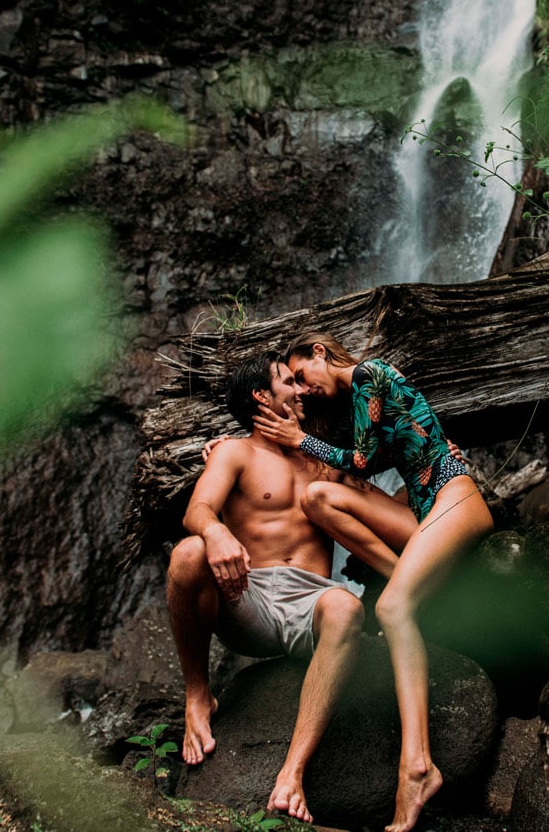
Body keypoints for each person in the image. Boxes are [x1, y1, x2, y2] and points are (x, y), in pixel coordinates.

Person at [251, 331, 494, 832]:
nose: (302, 388)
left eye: (301, 376)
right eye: (291, 384)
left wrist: (300, 439)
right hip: (424, 512)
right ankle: (397, 573)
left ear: (320, 352)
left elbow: (360, 462)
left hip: (454, 494)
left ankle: (417, 768)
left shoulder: (370, 373)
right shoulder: (360, 406)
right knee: (317, 498)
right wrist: (228, 443)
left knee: (391, 610)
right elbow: (358, 466)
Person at [167, 349, 372, 823]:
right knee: (188, 553)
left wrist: (439, 468)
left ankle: (291, 774)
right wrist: (216, 531)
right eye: (288, 382)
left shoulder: (323, 458)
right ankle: (198, 694)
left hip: (311, 604)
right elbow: (196, 512)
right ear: (262, 395)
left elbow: (379, 505)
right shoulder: (234, 452)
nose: (302, 390)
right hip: (249, 597)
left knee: (345, 609)